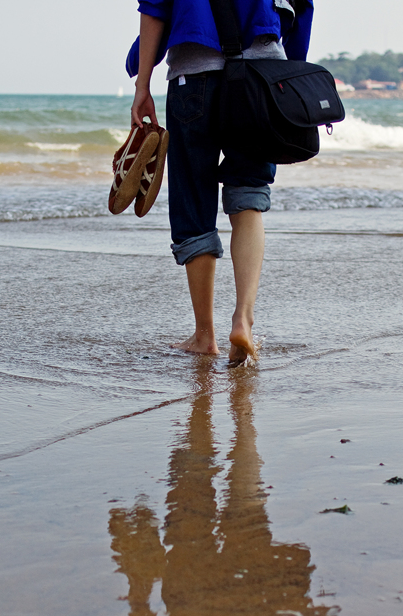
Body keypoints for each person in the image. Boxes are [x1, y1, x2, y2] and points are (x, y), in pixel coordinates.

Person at [126, 0, 313, 366]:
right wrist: (292, 68)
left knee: (194, 202)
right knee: (249, 195)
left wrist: (141, 80)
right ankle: (243, 320)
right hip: (263, 74)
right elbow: (299, 7)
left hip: (194, 75)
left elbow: (155, 9)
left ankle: (204, 336)